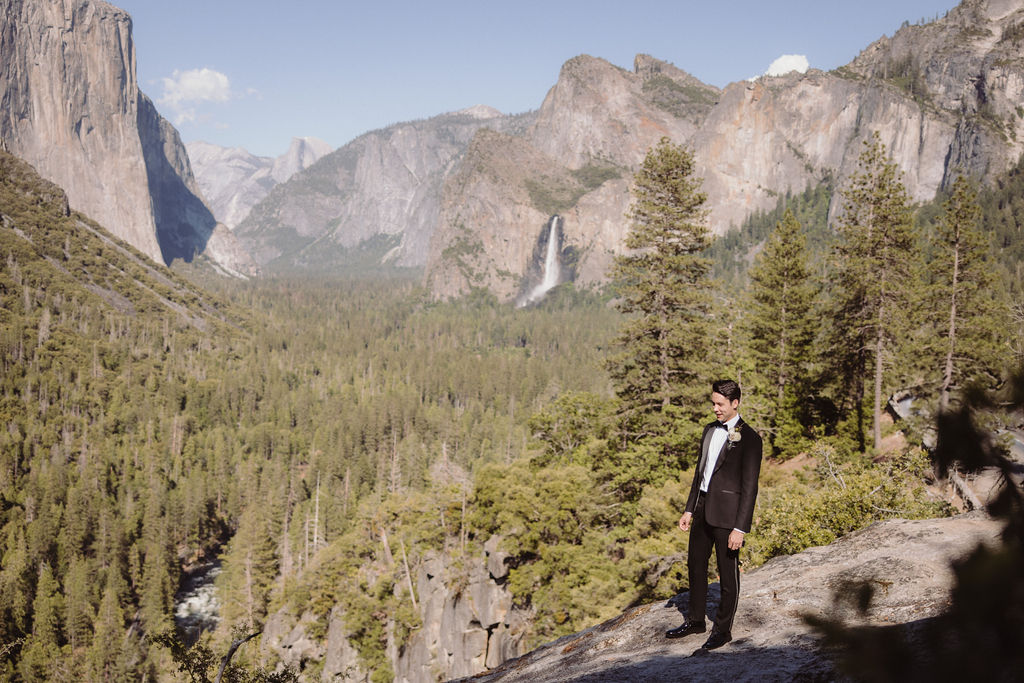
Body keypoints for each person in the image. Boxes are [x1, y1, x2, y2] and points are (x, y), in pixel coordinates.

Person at [665, 379, 763, 652]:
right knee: (695, 565)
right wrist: (688, 508)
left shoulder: (751, 439)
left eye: (720, 404)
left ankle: (722, 630)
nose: (715, 409)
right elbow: (700, 473)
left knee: (727, 574)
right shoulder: (709, 430)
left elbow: (750, 488)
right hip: (701, 508)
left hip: (729, 516)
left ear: (735, 403)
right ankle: (696, 621)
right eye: (713, 403)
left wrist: (740, 528)